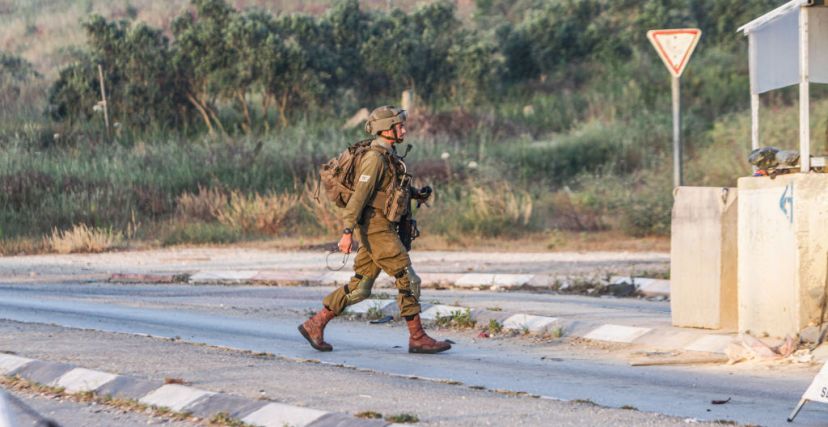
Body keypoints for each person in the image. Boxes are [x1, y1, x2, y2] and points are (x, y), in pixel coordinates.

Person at [298, 105, 451, 354]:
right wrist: (347, 232)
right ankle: (418, 337)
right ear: (386, 129)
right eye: (399, 125)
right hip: (376, 228)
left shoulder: (388, 155)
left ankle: (315, 324)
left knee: (361, 287)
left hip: (381, 226)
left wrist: (414, 194)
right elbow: (359, 197)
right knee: (408, 278)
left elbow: (387, 190)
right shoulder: (374, 159)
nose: (404, 129)